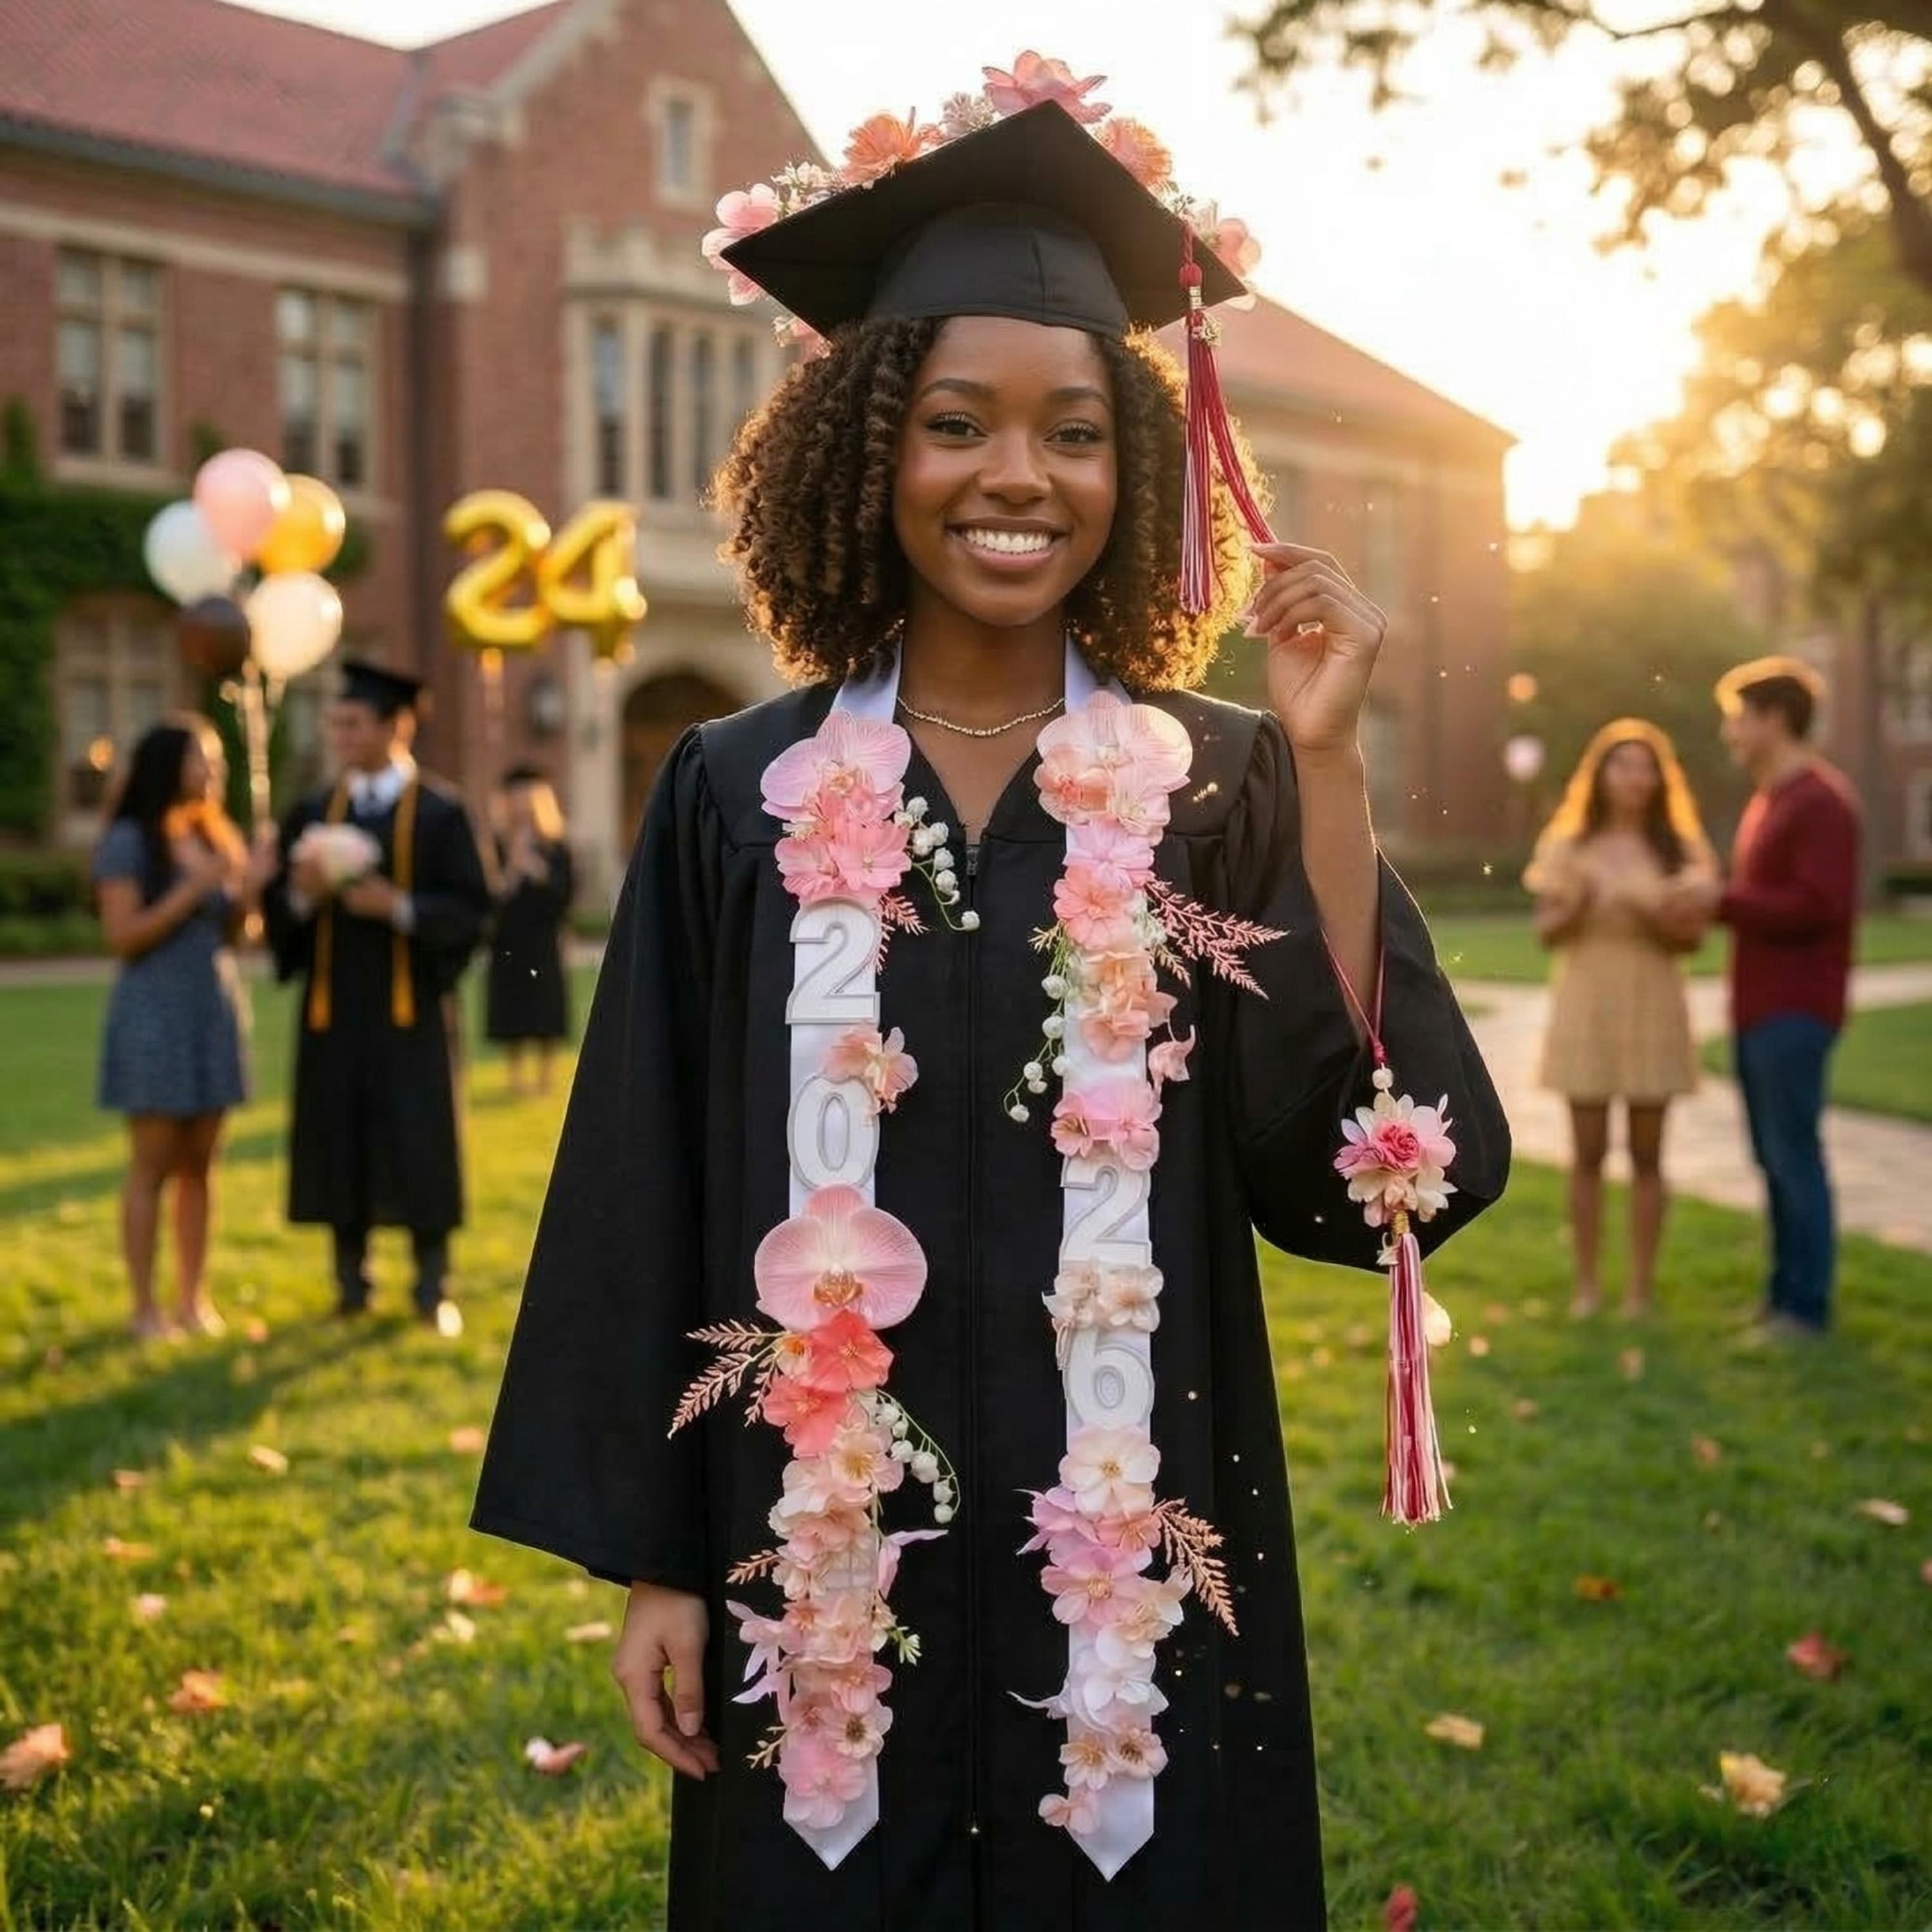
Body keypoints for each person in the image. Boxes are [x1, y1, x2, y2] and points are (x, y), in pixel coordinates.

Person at [472, 85, 1508, 1931]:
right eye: (955, 425)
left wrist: (1333, 775)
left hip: (1131, 1531)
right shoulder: (737, 787)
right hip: (810, 1550)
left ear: (1141, 475)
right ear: (870, 454)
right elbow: (644, 1185)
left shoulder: (1222, 782)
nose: (1015, 476)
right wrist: (656, 1560)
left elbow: (1361, 1172)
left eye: (1074, 434)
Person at [263, 659, 490, 1334]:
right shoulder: (311, 812)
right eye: (335, 722)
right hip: (334, 1014)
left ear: (397, 726)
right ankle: (350, 1280)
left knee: (420, 1139)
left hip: (410, 1012)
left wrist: (398, 908)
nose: (339, 735)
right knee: (340, 1136)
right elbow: (279, 918)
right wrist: (302, 893)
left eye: (352, 723)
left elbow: (475, 912)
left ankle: (431, 1283)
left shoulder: (444, 815)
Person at [1665, 656, 1860, 1335]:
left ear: (1774, 719)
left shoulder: (1820, 802)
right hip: (1760, 1010)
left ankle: (1805, 1308)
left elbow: (1818, 905)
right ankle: (1785, 1297)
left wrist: (1723, 897)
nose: (1730, 734)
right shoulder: (1770, 801)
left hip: (1797, 1011)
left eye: (1737, 719)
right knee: (1773, 1157)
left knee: (1793, 1155)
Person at [1524, 720, 1718, 1318]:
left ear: (1661, 779)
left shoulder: (1679, 851)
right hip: (1586, 1000)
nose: (1635, 777)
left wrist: (1651, 910)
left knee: (1648, 1154)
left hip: (1653, 1000)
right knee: (1586, 1153)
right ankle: (1587, 1286)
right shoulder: (1569, 845)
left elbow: (1693, 940)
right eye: (1622, 764)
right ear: (1599, 774)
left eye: (1646, 766)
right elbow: (1545, 932)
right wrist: (1580, 903)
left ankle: (1639, 1290)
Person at [93, 715, 268, 1340]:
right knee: (153, 1165)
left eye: (217, 761)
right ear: (169, 765)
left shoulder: (214, 836)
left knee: (201, 1165)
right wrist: (192, 888)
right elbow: (123, 937)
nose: (214, 772)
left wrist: (249, 888)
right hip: (155, 1015)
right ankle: (145, 1308)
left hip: (210, 1010)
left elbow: (241, 934)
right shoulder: (129, 842)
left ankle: (193, 1300)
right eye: (204, 760)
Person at [485, 765, 575, 1094]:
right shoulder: (496, 847)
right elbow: (492, 899)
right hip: (510, 940)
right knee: (513, 1007)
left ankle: (545, 1077)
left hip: (544, 938)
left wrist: (537, 871)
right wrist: (511, 869)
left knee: (545, 1006)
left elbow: (565, 895)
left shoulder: (556, 848)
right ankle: (515, 1077)